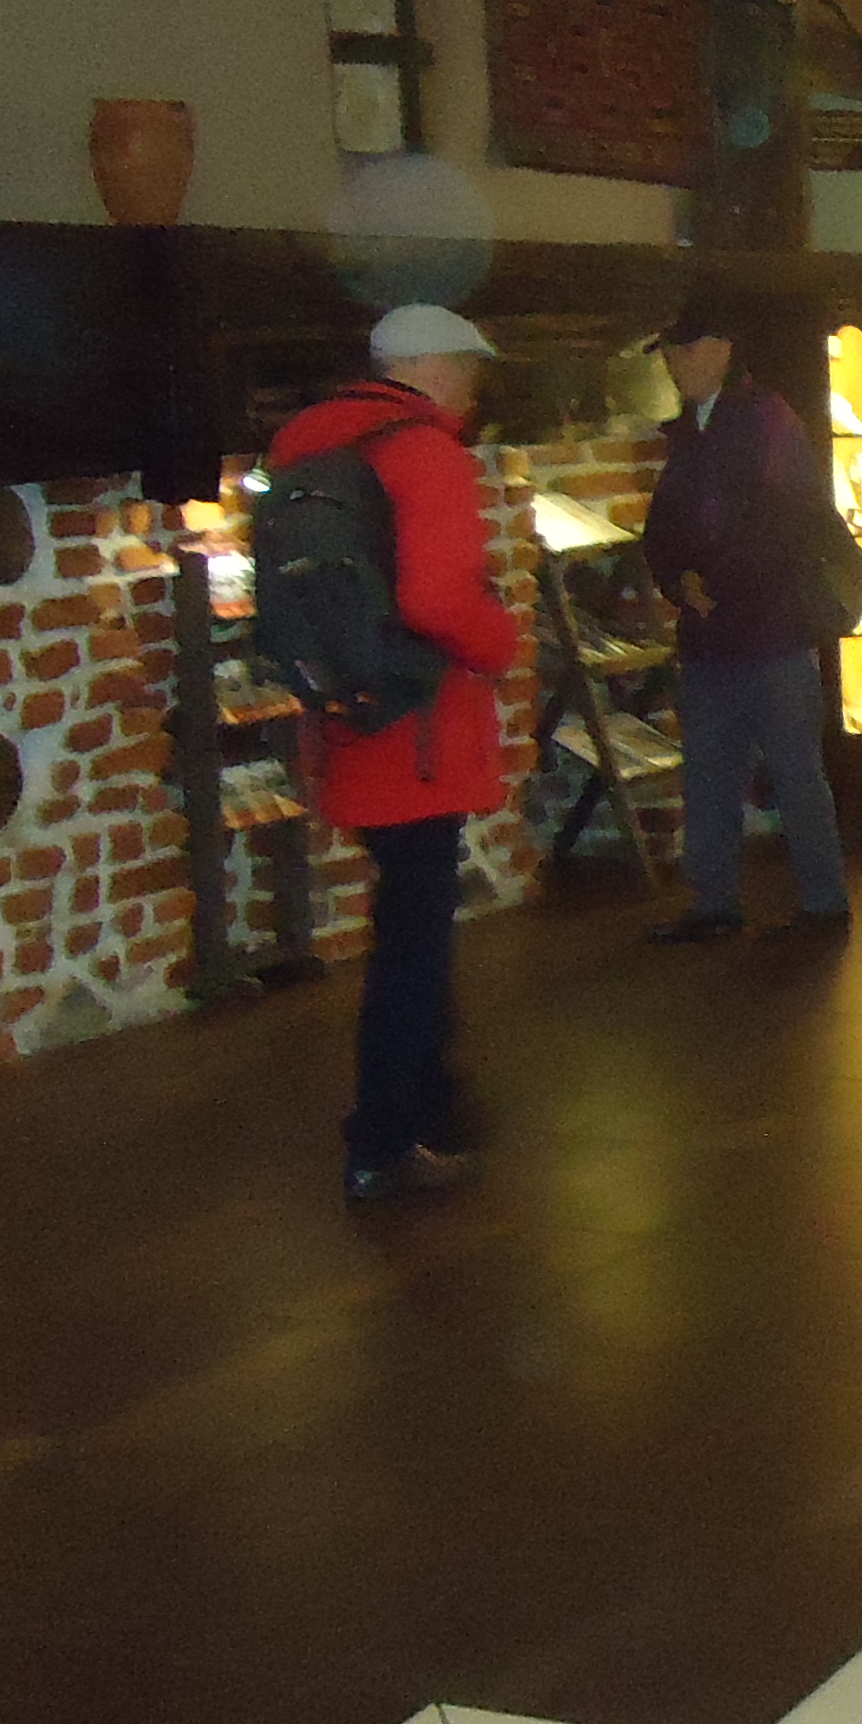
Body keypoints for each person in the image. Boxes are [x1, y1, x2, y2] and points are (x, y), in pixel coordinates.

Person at [268, 302, 527, 1203]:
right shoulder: (424, 453)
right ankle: (386, 1135)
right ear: (433, 367)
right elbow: (436, 599)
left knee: (410, 919)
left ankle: (437, 1105)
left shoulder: (304, 447)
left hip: (351, 719)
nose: (472, 387)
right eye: (467, 368)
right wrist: (503, 641)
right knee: (414, 942)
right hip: (419, 726)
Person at [634, 292, 853, 942]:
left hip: (773, 631)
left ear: (722, 350)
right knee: (709, 773)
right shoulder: (691, 431)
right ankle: (714, 901)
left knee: (795, 771)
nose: (676, 363)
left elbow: (785, 524)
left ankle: (824, 901)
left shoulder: (767, 421)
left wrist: (711, 584)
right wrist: (680, 580)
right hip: (714, 636)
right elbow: (664, 527)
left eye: (686, 350)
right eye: (671, 352)